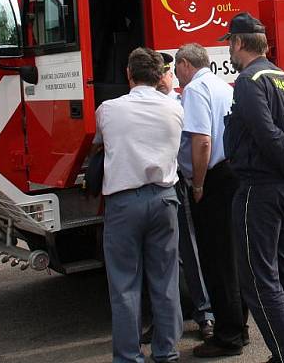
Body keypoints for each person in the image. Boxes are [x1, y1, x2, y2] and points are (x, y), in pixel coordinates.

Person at [221, 12, 284, 363]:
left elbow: (267, 134)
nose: (229, 53)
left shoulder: (249, 81)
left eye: (229, 44)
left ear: (238, 43)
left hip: (259, 190)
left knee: (258, 279)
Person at [94, 47, 184, 363]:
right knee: (165, 281)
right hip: (164, 199)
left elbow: (101, 144)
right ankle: (167, 352)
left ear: (128, 74)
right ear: (160, 76)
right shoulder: (175, 108)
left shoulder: (107, 109)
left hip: (124, 202)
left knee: (124, 286)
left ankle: (129, 356)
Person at [165, 43, 250, 358]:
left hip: (213, 179)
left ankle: (227, 336)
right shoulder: (221, 86)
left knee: (216, 261)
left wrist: (197, 184)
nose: (176, 75)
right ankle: (238, 328)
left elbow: (201, 140)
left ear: (185, 64)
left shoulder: (195, 90)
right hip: (231, 173)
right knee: (231, 256)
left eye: (176, 68)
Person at [150, 52, 215, 344]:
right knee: (159, 258)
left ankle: (206, 315)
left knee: (190, 251)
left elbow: (199, 142)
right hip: (151, 186)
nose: (164, 76)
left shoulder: (180, 102)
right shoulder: (142, 105)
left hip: (176, 183)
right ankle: (163, 323)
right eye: (159, 72)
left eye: (166, 71)